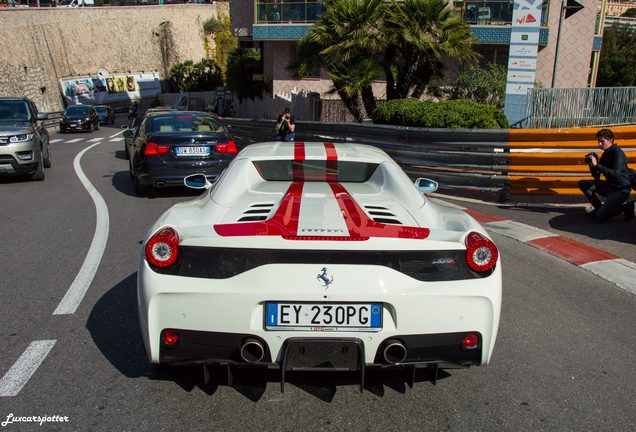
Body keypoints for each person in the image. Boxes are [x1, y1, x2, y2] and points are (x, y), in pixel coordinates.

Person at [578, 128, 634, 221]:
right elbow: (596, 176)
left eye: (602, 141)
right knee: (583, 183)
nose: (599, 144)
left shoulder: (618, 153)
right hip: (610, 187)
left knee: (600, 217)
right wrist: (592, 165)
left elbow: (616, 173)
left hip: (621, 190)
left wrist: (597, 165)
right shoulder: (605, 154)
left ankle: (627, 207)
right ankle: (599, 208)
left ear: (610, 140)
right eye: (598, 141)